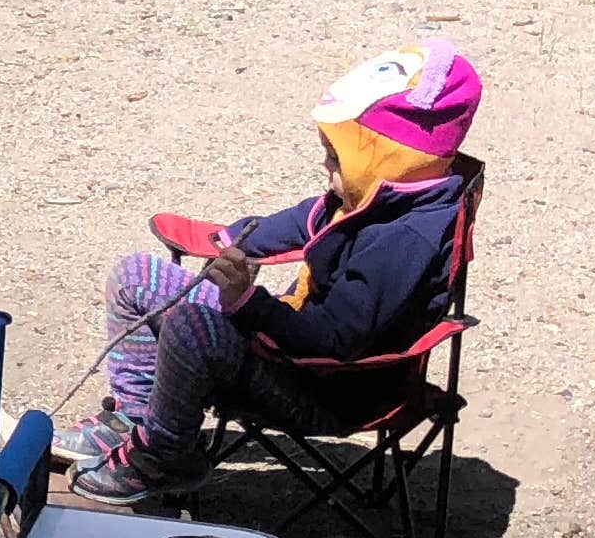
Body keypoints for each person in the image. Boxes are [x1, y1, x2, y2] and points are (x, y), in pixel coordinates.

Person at [68, 39, 481, 507]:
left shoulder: (405, 241)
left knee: (191, 328)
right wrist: (238, 240)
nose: (326, 166)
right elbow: (310, 217)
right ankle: (137, 420)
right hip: (291, 342)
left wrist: (247, 304)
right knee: (135, 277)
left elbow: (332, 340)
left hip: (328, 387)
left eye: (335, 157)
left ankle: (165, 457)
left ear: (386, 156)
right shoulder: (390, 193)